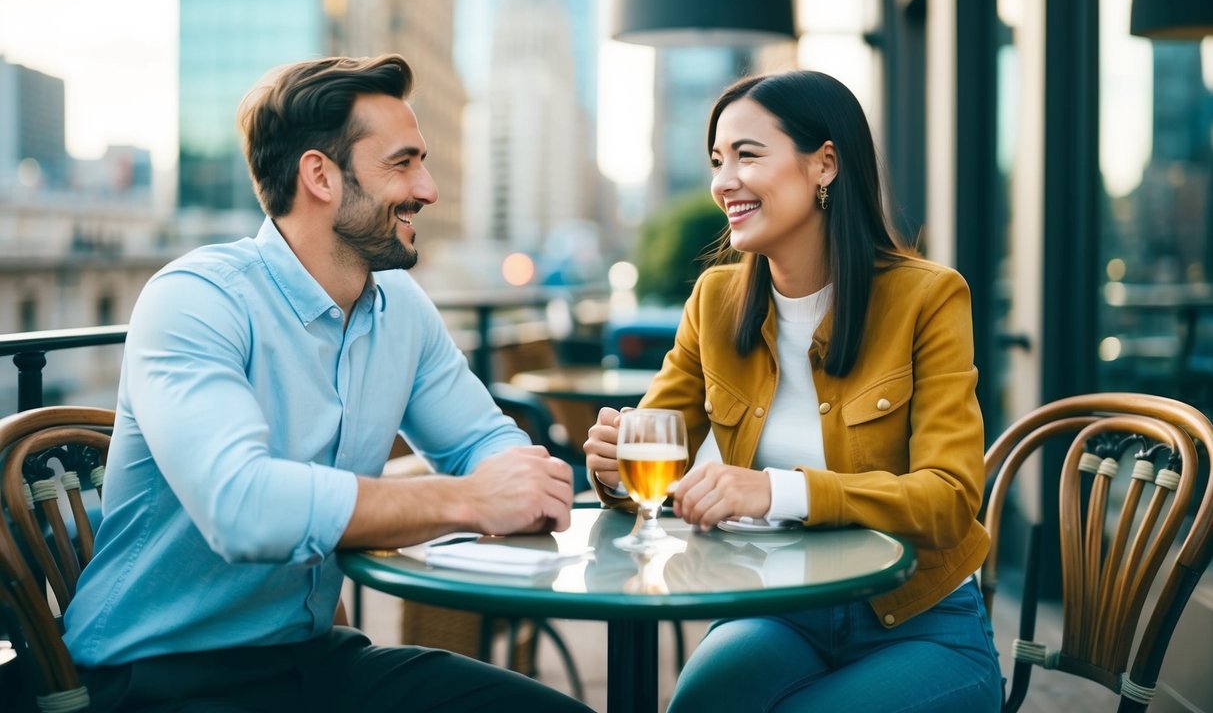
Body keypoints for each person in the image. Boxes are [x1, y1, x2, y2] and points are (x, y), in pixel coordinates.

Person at [62, 54, 589, 712]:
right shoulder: (195, 300)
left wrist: (518, 480)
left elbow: (483, 441)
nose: (426, 188)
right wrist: (471, 500)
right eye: (401, 164)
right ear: (320, 175)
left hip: (315, 661)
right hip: (162, 676)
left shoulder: (401, 308)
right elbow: (242, 507)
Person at [585, 70, 1003, 711]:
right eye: (718, 160)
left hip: (922, 624)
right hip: (782, 609)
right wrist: (614, 468)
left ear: (824, 165)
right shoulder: (714, 301)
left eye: (748, 155)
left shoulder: (928, 296)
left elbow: (948, 500)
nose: (724, 181)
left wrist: (779, 488)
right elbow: (653, 456)